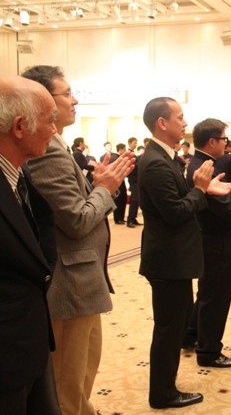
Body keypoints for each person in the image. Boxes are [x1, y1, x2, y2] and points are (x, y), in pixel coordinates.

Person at [23, 65, 134, 415]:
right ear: (43, 100)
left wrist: (97, 186)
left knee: (82, 372)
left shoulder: (57, 144)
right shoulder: (48, 150)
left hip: (83, 278)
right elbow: (76, 220)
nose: (75, 101)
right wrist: (105, 189)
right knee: (67, 382)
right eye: (67, 93)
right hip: (70, 282)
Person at [137, 97, 231, 409]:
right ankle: (163, 393)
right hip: (167, 260)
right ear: (162, 123)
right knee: (169, 330)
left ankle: (166, 387)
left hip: (173, 258)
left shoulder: (164, 156)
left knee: (175, 326)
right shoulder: (155, 161)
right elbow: (176, 212)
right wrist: (200, 189)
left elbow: (177, 199)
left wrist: (201, 188)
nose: (185, 122)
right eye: (179, 117)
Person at [0, 75, 61, 415]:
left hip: (31, 343)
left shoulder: (20, 174)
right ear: (20, 126)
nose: (55, 129)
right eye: (50, 120)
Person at [182, 118, 231, 368]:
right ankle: (209, 351)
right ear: (212, 141)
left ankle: (191, 334)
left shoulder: (201, 163)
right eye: (224, 140)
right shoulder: (204, 168)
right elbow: (225, 210)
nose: (227, 144)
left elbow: (220, 201)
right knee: (216, 296)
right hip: (214, 238)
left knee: (208, 292)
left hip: (208, 236)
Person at [99, 143, 128, 225]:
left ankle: (121, 217)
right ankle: (117, 218)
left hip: (120, 178)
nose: (110, 147)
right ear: (105, 147)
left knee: (123, 197)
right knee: (117, 199)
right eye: (108, 146)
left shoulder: (116, 156)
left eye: (110, 145)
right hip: (111, 179)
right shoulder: (102, 157)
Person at [126, 137, 142, 227]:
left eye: (136, 143)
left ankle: (133, 218)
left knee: (136, 199)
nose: (136, 144)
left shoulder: (133, 153)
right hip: (133, 179)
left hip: (136, 179)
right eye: (134, 143)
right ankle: (130, 220)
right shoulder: (128, 153)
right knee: (134, 200)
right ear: (130, 143)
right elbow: (132, 165)